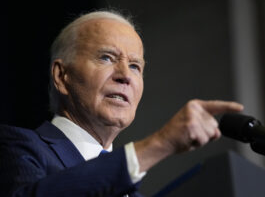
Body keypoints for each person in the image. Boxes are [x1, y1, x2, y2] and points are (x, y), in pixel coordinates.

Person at [0, 10, 243, 197]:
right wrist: (161, 143)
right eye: (107, 57)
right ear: (62, 76)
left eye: (135, 66)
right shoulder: (16, 148)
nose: (125, 75)